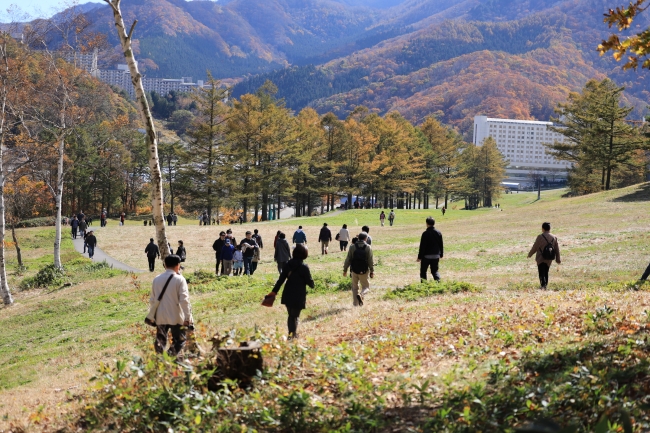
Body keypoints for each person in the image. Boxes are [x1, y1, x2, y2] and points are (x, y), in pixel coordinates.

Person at [265, 244, 314, 340]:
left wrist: (274, 292)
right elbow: (311, 283)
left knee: (291, 315)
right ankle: (292, 335)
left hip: (287, 292)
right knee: (295, 316)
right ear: (304, 254)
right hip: (298, 294)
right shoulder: (304, 267)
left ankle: (292, 334)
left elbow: (280, 280)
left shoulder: (287, 264)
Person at [150, 255, 193, 356]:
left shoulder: (156, 279)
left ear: (164, 265)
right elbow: (184, 300)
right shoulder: (180, 280)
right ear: (178, 265)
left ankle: (159, 361)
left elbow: (152, 300)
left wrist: (154, 314)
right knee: (180, 341)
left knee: (160, 342)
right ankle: (169, 357)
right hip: (176, 316)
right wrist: (188, 317)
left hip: (161, 316)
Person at [527, 222, 561, 290]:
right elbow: (557, 249)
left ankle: (543, 285)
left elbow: (535, 247)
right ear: (549, 228)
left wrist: (530, 254)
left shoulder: (540, 237)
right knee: (546, 271)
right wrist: (558, 259)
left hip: (541, 257)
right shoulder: (554, 237)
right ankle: (545, 285)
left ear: (543, 229)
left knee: (541, 272)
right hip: (549, 258)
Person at [344, 232, 374, 306]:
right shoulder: (368, 247)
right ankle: (361, 295)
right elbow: (370, 260)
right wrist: (372, 271)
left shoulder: (352, 247)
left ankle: (355, 304)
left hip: (354, 270)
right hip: (364, 270)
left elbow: (348, 259)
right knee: (366, 287)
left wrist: (345, 270)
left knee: (354, 287)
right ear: (365, 238)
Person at [417, 217, 444, 282]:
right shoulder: (438, 232)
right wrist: (441, 254)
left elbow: (422, 246)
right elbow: (441, 244)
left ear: (427, 223)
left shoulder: (425, 233)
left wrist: (419, 257)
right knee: (435, 271)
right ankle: (438, 282)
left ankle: (424, 285)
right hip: (436, 255)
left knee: (423, 271)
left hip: (426, 256)